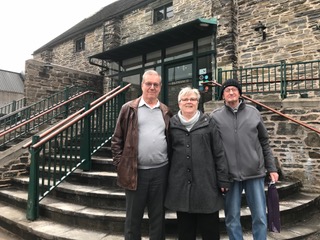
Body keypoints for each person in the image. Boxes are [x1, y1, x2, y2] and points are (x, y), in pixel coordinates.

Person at [210, 79, 279, 240]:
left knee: (260, 216)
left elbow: (264, 141)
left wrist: (272, 168)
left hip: (254, 172)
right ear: (223, 96)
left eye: (234, 89)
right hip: (230, 176)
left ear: (240, 93)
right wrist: (219, 175)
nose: (231, 93)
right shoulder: (215, 117)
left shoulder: (253, 112)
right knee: (232, 218)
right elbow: (213, 148)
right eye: (227, 90)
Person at [111, 70, 172, 240]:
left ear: (160, 87)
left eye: (156, 84)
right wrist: (121, 165)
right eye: (148, 84)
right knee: (132, 220)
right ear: (142, 85)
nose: (152, 87)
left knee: (158, 219)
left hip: (161, 172)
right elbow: (117, 140)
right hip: (135, 173)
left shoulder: (165, 111)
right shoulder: (128, 108)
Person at [165, 87, 230, 240]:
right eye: (185, 99)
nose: (189, 102)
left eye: (192, 99)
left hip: (206, 186)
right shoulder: (171, 124)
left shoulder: (209, 122)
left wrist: (223, 178)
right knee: (185, 233)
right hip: (181, 188)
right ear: (179, 103)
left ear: (197, 102)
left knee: (210, 232)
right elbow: (168, 153)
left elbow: (219, 152)